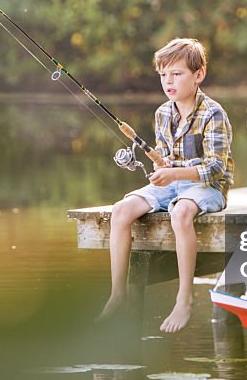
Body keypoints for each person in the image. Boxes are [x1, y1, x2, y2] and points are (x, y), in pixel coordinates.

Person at [96, 38, 234, 333]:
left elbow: (215, 167)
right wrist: (163, 169)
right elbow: (166, 159)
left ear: (199, 75)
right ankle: (118, 295)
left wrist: (174, 172)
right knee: (121, 210)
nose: (168, 82)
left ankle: (184, 298)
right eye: (163, 75)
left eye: (177, 74)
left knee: (180, 213)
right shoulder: (162, 113)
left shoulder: (213, 114)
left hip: (207, 186)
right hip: (173, 183)